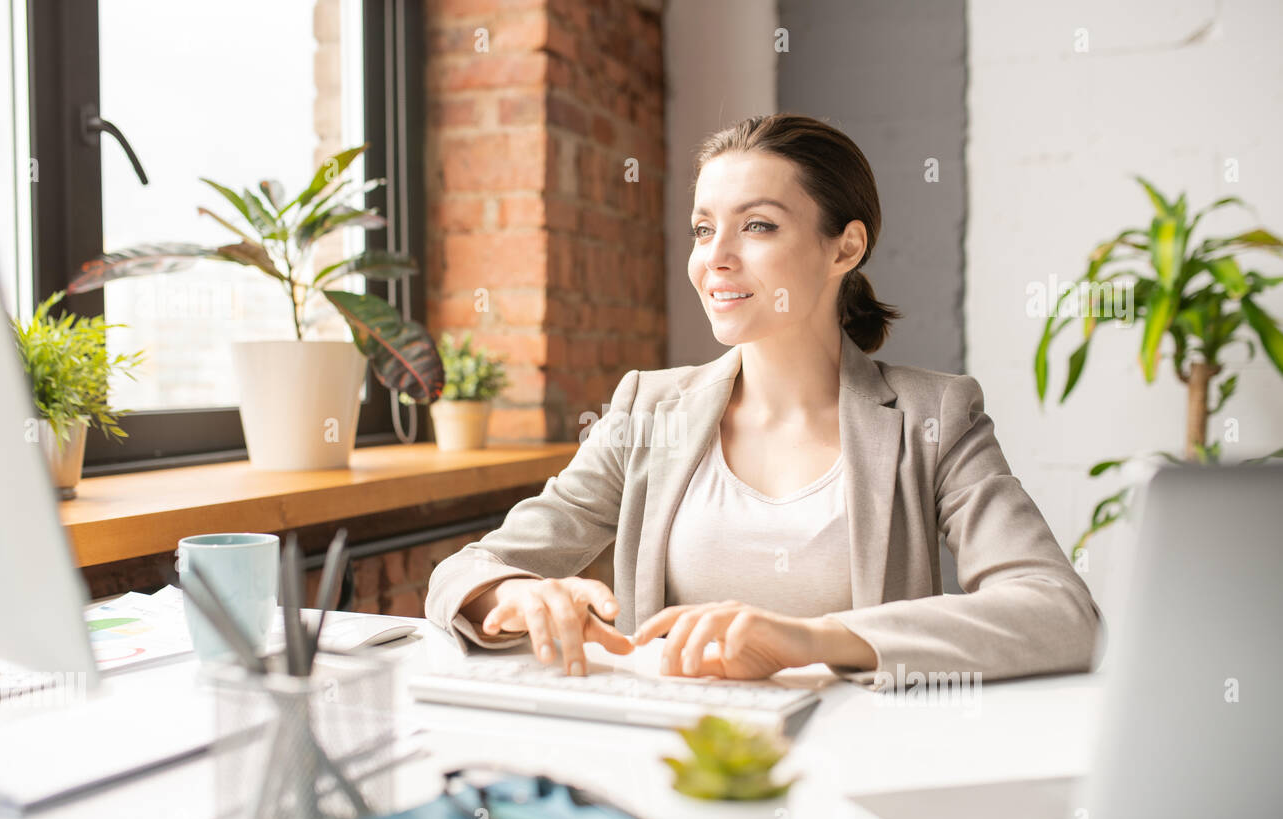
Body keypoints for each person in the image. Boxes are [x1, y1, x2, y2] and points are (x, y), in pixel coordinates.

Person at [425, 113, 1102, 689]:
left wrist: (810, 640)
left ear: (847, 247)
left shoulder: (936, 416)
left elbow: (1058, 613)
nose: (714, 258)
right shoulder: (646, 411)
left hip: (858, 757)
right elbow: (467, 570)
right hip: (678, 757)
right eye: (701, 229)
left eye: (757, 227)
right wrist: (511, 592)